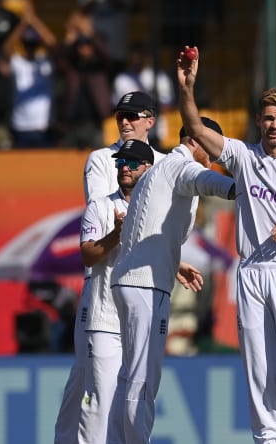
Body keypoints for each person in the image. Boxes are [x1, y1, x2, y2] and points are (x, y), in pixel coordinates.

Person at [178, 47, 276, 444]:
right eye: (267, 118)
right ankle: (268, 436)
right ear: (258, 120)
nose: (273, 125)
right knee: (259, 367)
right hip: (251, 272)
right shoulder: (243, 156)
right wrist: (188, 88)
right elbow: (196, 130)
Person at [107, 118, 235, 442]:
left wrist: (175, 264)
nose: (216, 154)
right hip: (144, 285)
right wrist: (243, 188)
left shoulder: (158, 173)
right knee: (143, 379)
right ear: (195, 141)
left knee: (129, 377)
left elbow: (147, 231)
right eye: (212, 145)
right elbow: (207, 181)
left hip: (135, 280)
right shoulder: (180, 165)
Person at [54, 91, 167, 442]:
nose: (126, 122)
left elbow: (170, 227)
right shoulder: (104, 159)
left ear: (151, 120)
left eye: (134, 116)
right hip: (103, 285)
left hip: (143, 283)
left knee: (108, 386)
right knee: (94, 388)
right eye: (121, 116)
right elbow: (111, 216)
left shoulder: (164, 164)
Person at [73, 138, 153, 443]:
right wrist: (116, 235)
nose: (125, 168)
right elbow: (87, 255)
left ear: (148, 169)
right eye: (121, 162)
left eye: (132, 163)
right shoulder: (101, 205)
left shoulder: (156, 210)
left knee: (135, 405)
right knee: (100, 404)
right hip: (105, 319)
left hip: (139, 322)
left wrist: (179, 265)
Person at [2, 0, 58, 148]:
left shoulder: (46, 62)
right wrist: (23, 24)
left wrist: (34, 21)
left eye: (33, 45)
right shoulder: (17, 62)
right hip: (21, 127)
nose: (30, 48)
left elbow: (53, 44)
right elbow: (6, 49)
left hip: (44, 126)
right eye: (27, 45)